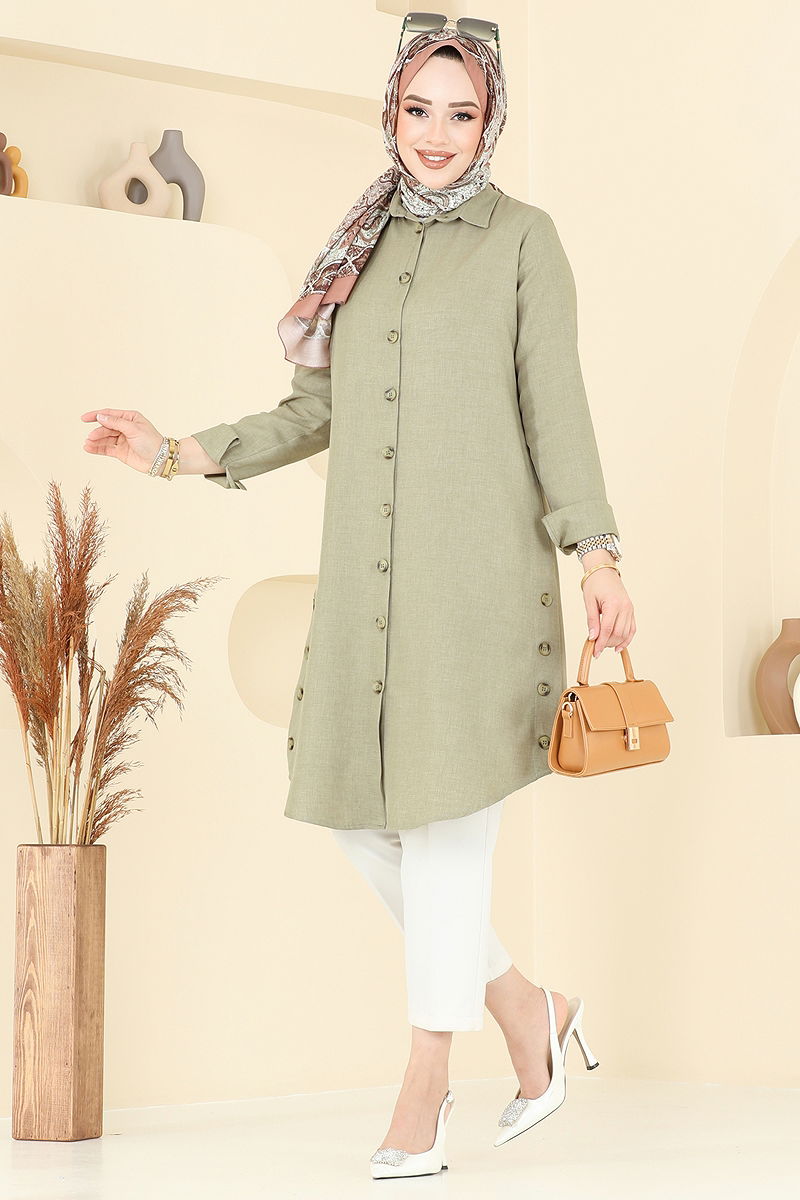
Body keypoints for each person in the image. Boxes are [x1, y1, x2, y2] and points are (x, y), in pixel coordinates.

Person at [80, 19, 635, 1180]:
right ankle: (526, 1010)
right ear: (389, 110)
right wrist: (171, 451)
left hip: (479, 590)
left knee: (444, 832)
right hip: (370, 593)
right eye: (417, 109)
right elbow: (311, 412)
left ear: (489, 123)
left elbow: (557, 410)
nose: (436, 135)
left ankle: (425, 1082)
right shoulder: (360, 246)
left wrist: (595, 557)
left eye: (460, 113)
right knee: (352, 813)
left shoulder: (524, 242)